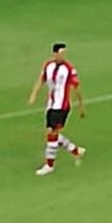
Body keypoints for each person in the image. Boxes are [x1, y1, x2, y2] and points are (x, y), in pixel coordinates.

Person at [28, 42, 87, 176]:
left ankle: (49, 165)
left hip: (62, 106)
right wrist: (33, 94)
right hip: (51, 105)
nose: (63, 56)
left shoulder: (69, 69)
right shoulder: (48, 66)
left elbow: (76, 88)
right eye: (60, 53)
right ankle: (75, 150)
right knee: (51, 133)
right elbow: (41, 80)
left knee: (52, 133)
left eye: (64, 53)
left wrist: (81, 106)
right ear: (54, 54)